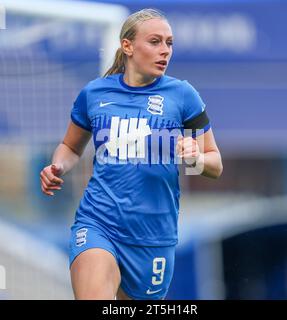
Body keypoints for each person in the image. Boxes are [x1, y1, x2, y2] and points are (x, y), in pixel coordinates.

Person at [40, 8, 223, 300]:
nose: (165, 51)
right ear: (127, 46)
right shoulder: (95, 94)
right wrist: (57, 166)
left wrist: (196, 160)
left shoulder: (183, 95)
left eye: (169, 43)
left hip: (154, 237)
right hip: (99, 222)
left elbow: (215, 163)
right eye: (155, 42)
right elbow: (71, 147)